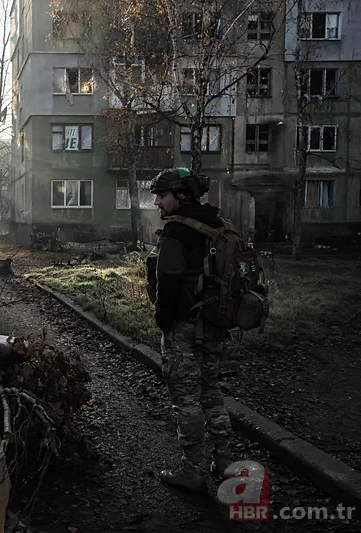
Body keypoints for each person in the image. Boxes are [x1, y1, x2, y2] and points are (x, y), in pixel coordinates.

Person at [149, 167, 233, 492]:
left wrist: (163, 322)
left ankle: (192, 471)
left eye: (162, 195)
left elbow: (167, 283)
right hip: (214, 326)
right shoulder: (218, 223)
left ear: (181, 195)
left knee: (186, 399)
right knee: (211, 391)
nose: (157, 202)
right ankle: (224, 460)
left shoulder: (176, 231)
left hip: (184, 328)